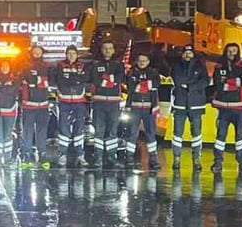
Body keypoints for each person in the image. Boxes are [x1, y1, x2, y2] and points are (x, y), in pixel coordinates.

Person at [212, 42, 242, 172]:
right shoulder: (219, 66)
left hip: (239, 107)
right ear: (225, 52)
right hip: (223, 107)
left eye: (234, 51)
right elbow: (218, 83)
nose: (231, 53)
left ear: (238, 52)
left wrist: (228, 82)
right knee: (220, 136)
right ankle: (217, 163)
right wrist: (236, 82)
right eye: (229, 51)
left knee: (240, 136)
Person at [168, 43, 209, 171]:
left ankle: (196, 159)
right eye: (185, 52)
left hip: (196, 105)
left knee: (196, 134)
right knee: (177, 134)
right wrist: (194, 82)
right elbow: (178, 80)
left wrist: (190, 86)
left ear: (193, 54)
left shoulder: (200, 66)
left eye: (190, 53)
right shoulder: (176, 66)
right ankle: (176, 159)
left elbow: (206, 81)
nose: (187, 55)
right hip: (180, 104)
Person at [89, 39, 126, 168]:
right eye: (105, 48)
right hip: (99, 102)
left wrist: (104, 78)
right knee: (99, 130)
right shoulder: (95, 64)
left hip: (114, 103)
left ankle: (111, 156)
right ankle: (98, 157)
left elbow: (119, 79)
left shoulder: (119, 65)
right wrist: (110, 80)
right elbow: (95, 79)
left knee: (112, 131)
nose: (107, 50)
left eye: (110, 48)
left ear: (114, 50)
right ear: (101, 49)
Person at [51, 44, 89, 167]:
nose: (71, 56)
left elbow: (84, 80)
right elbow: (60, 81)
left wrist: (72, 79)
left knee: (79, 128)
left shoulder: (83, 66)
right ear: (66, 55)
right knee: (63, 129)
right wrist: (75, 79)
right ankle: (62, 155)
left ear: (77, 55)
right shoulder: (60, 66)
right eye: (69, 53)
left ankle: (80, 155)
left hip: (79, 103)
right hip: (64, 102)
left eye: (73, 53)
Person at [123, 51, 160, 170]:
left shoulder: (153, 72)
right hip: (134, 108)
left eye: (144, 61)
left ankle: (153, 159)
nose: (142, 63)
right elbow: (131, 86)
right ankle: (129, 158)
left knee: (151, 134)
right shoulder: (131, 72)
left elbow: (156, 84)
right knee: (132, 133)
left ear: (148, 62)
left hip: (150, 108)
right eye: (140, 61)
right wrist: (146, 85)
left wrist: (140, 85)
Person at [19, 43, 52, 168]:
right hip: (29, 105)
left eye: (39, 51)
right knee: (27, 131)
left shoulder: (47, 67)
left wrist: (36, 81)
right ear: (31, 53)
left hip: (43, 105)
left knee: (42, 131)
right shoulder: (25, 67)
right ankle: (26, 155)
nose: (37, 53)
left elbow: (50, 81)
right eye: (35, 51)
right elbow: (24, 81)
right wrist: (38, 81)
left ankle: (42, 155)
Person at [0, 58, 20, 166]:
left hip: (9, 110)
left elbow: (12, 91)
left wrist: (2, 89)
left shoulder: (15, 79)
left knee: (7, 135)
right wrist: (5, 89)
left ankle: (7, 157)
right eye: (2, 66)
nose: (4, 68)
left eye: (7, 66)